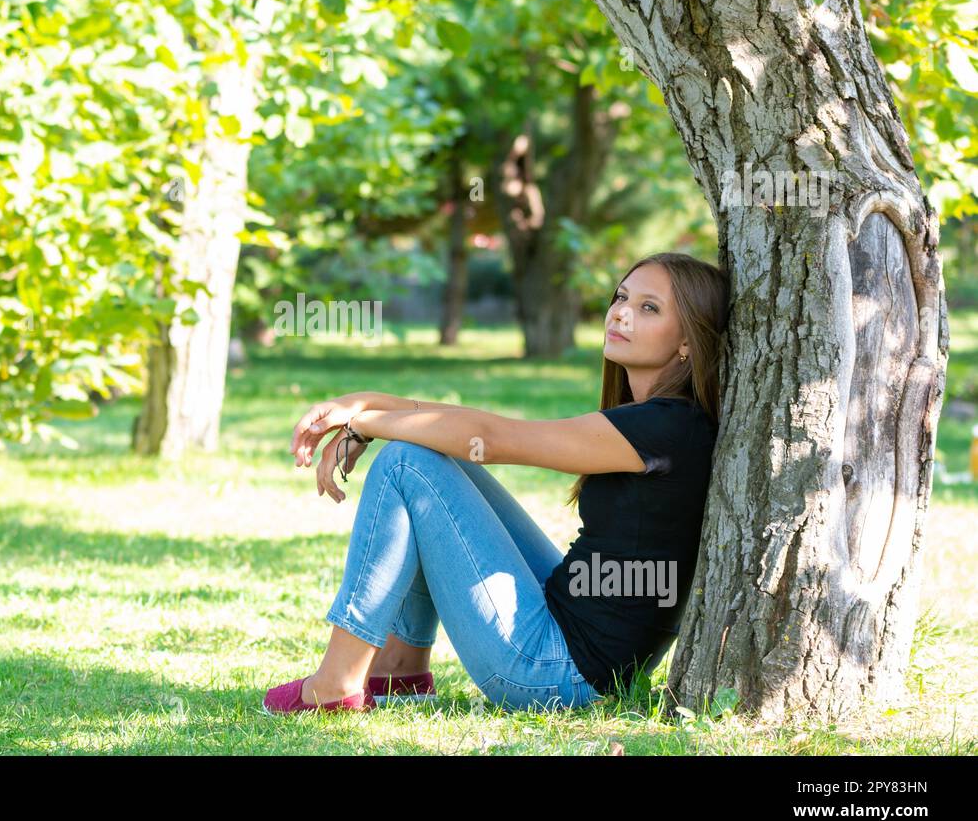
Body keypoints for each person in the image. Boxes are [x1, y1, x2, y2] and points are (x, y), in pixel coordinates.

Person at [262, 251, 729, 715]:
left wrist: (368, 422)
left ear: (688, 341)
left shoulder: (667, 429)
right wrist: (365, 403)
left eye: (650, 307)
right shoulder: (667, 422)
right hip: (579, 644)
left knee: (405, 465)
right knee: (431, 459)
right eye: (622, 296)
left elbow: (491, 437)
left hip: (554, 673)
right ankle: (398, 672)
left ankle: (335, 684)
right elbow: (474, 429)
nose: (622, 312)